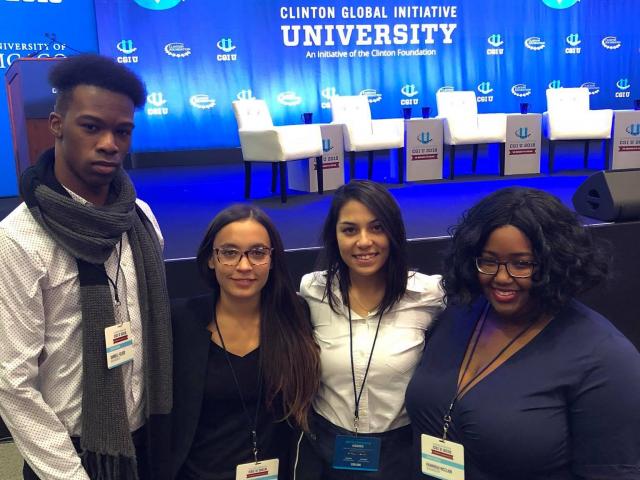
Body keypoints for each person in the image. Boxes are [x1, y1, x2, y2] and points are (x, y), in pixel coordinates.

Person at [0, 54, 172, 480]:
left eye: (122, 131)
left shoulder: (142, 219)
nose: (110, 143)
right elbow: (12, 382)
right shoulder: (18, 239)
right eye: (92, 127)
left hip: (149, 440)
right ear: (57, 124)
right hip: (72, 454)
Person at [406, 186, 640, 479]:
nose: (502, 277)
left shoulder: (606, 359)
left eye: (522, 264)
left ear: (555, 262)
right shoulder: (459, 315)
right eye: (489, 261)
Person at [297, 180, 444, 479]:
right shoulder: (313, 290)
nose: (364, 241)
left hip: (400, 451)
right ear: (334, 235)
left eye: (377, 228)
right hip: (327, 445)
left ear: (394, 232)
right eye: (350, 230)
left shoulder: (428, 294)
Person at [171, 204, 320, 480]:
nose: (244, 266)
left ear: (273, 259)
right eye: (229, 253)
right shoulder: (180, 323)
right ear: (210, 259)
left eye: (258, 253)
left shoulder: (296, 318)